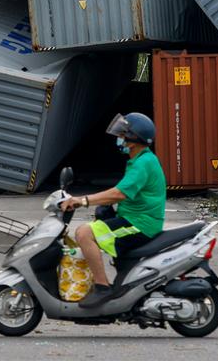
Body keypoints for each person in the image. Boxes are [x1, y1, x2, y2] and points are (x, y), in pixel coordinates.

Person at [60, 112, 166, 309]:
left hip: (140, 224)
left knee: (84, 233)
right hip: (134, 218)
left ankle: (102, 287)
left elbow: (119, 194)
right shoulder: (141, 159)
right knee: (98, 224)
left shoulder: (143, 163)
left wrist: (82, 200)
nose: (120, 138)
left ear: (133, 140)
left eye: (123, 135)